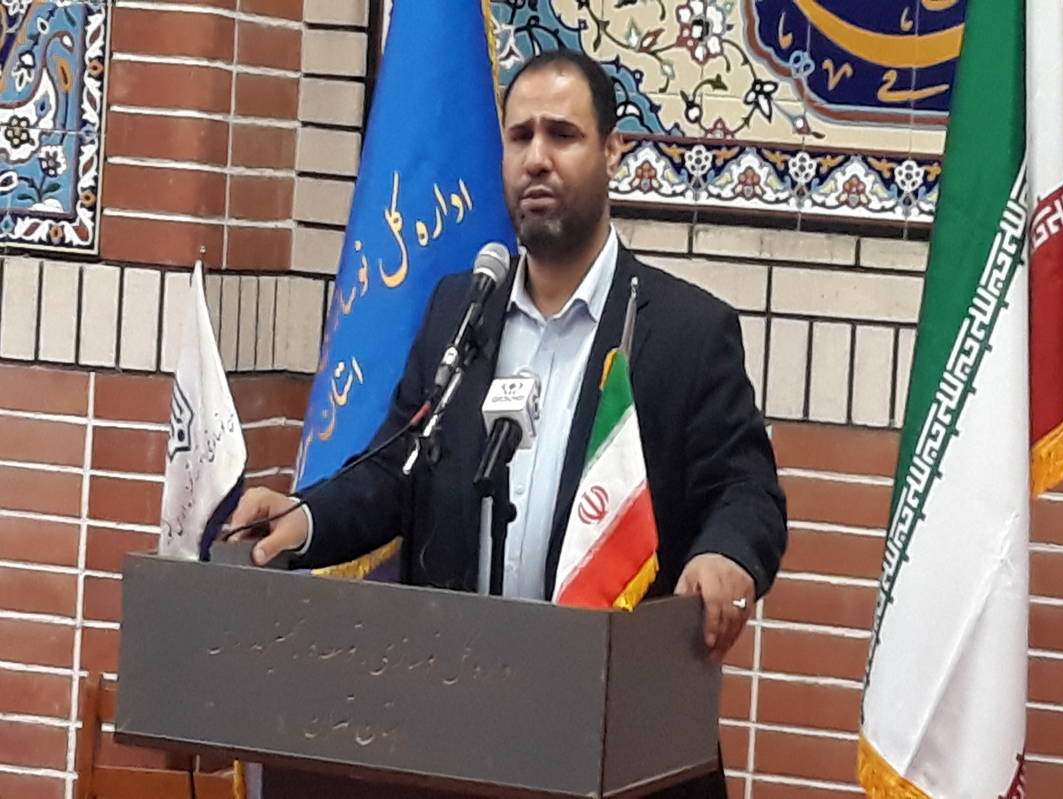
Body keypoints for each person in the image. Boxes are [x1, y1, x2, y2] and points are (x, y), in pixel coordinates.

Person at [229, 49, 787, 797]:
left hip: (617, 741)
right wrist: (305, 518)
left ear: (612, 151)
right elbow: (397, 468)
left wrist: (727, 556)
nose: (537, 159)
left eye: (563, 135)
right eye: (520, 136)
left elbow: (747, 491)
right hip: (459, 730)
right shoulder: (461, 311)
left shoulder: (685, 330)